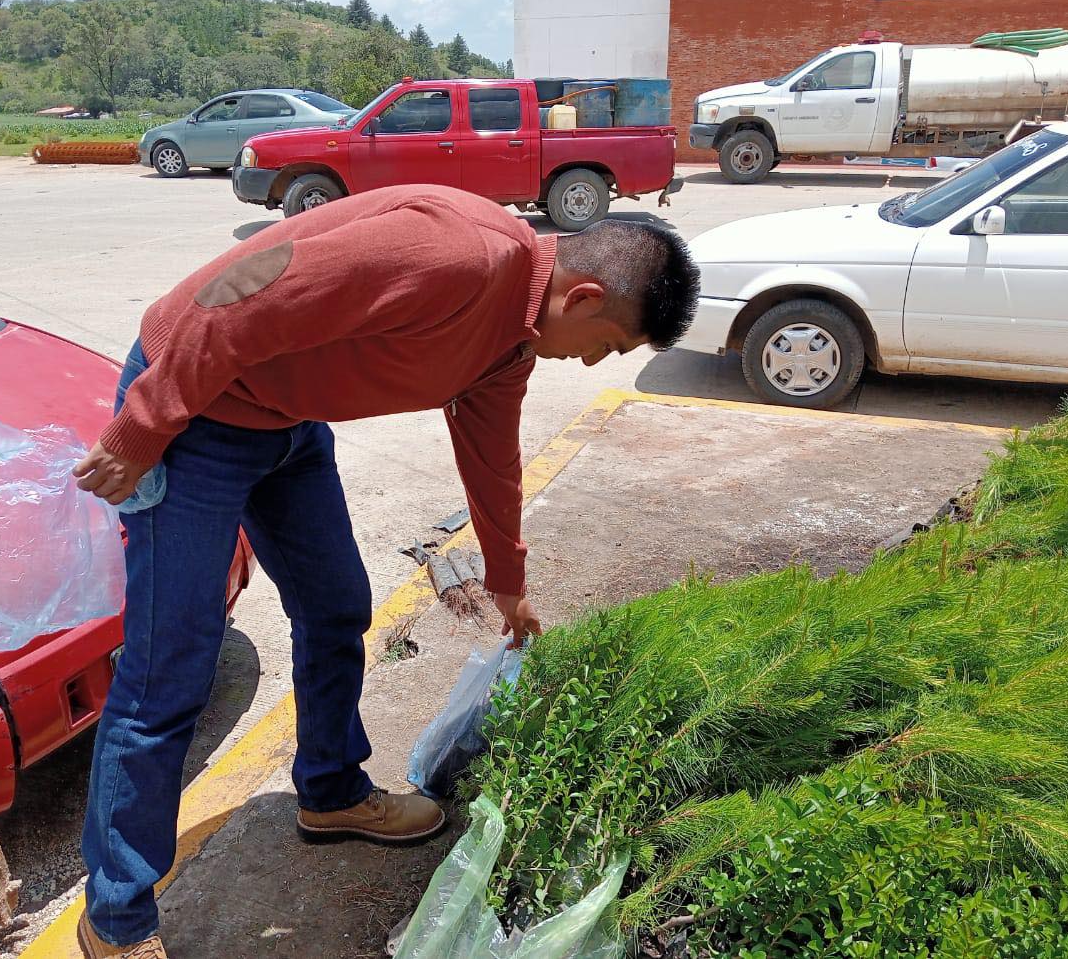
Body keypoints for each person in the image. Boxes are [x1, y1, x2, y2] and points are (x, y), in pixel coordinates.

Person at [71, 184, 699, 958]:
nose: (592, 360)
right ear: (585, 293)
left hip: (287, 419)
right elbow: (235, 296)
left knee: (337, 609)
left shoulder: (512, 341)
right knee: (170, 670)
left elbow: (491, 451)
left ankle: (331, 792)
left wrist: (508, 578)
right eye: (605, 343)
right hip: (195, 407)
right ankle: (116, 917)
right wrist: (143, 427)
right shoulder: (457, 255)